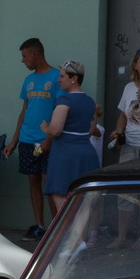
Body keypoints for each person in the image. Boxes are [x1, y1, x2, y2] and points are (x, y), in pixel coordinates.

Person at [4, 38, 59, 238]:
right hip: (27, 139)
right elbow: (24, 111)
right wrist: (14, 141)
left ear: (35, 54)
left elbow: (59, 111)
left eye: (25, 56)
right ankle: (40, 226)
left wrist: (49, 140)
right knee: (33, 181)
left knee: (50, 183)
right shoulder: (28, 80)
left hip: (47, 140)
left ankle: (57, 228)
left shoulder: (56, 77)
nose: (23, 60)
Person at [39, 60, 99, 219]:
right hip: (86, 152)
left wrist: (46, 128)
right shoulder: (90, 102)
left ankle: (71, 240)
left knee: (60, 195)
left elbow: (56, 129)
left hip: (65, 154)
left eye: (62, 76)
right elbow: (91, 130)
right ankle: (80, 239)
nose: (59, 80)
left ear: (74, 78)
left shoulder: (65, 101)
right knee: (83, 198)